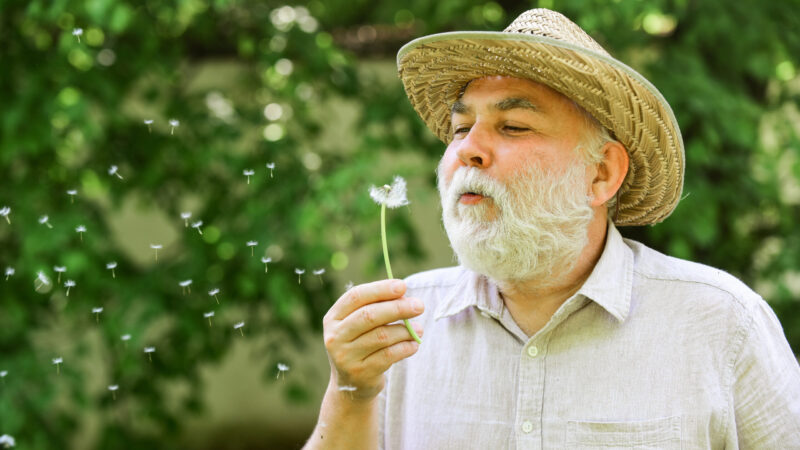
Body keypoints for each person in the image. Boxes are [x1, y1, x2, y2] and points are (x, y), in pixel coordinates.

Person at [304, 9, 800, 449]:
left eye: (513, 126)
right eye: (460, 129)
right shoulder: (396, 329)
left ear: (602, 173)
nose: (466, 149)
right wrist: (350, 393)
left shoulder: (722, 324)